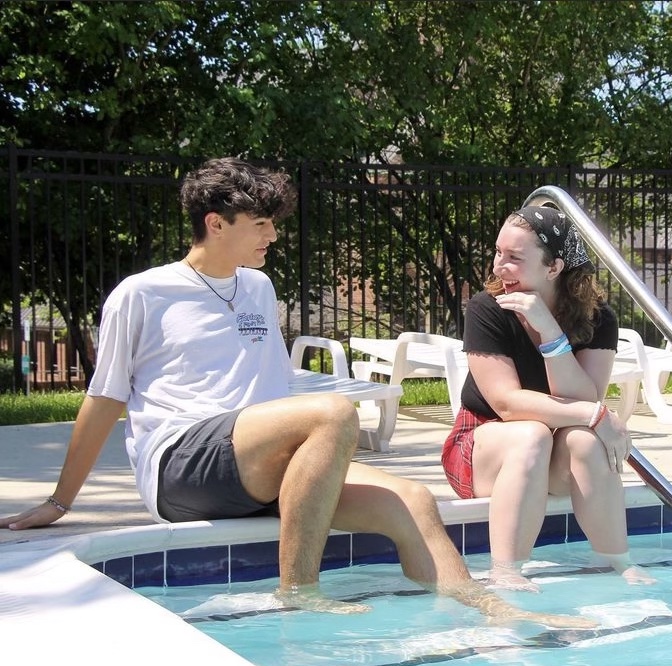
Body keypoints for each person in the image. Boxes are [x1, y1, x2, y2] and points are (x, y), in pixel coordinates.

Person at [0, 158, 596, 628]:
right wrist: (59, 501)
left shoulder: (258, 288)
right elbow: (104, 399)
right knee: (333, 414)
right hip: (182, 462)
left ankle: (482, 615)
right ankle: (299, 592)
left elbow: (265, 386)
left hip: (261, 462)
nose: (274, 236)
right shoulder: (145, 293)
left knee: (412, 499)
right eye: (261, 225)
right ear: (215, 223)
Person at [442, 205, 655, 590]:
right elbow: (506, 404)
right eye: (498, 252)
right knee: (532, 434)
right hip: (484, 445)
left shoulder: (598, 317)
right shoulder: (486, 309)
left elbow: (582, 398)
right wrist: (596, 414)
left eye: (514, 258)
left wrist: (550, 334)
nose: (498, 266)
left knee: (586, 442)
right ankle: (506, 571)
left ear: (553, 267)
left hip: (551, 452)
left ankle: (618, 562)